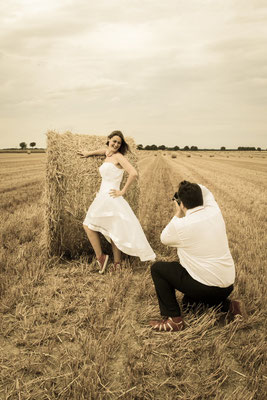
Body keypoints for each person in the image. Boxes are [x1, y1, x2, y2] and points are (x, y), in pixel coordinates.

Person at [149, 180, 245, 332]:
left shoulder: (182, 225)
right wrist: (187, 190)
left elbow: (164, 238)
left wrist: (178, 212)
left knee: (158, 269)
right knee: (189, 303)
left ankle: (174, 320)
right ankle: (229, 305)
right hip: (227, 285)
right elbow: (204, 189)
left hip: (205, 288)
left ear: (181, 203)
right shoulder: (214, 211)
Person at [78, 130, 156, 273]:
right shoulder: (108, 154)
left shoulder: (119, 156)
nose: (116, 144)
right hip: (103, 196)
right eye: (114, 141)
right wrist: (89, 153)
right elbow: (103, 150)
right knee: (113, 229)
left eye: (119, 143)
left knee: (88, 225)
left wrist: (123, 191)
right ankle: (116, 263)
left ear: (121, 145)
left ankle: (101, 257)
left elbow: (133, 173)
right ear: (109, 140)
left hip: (111, 196)